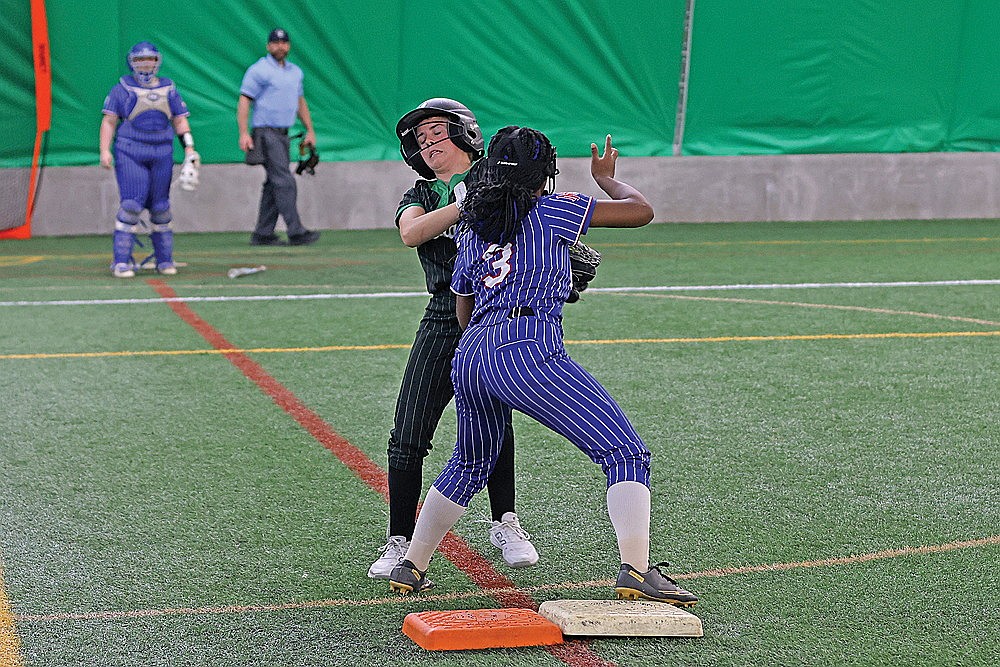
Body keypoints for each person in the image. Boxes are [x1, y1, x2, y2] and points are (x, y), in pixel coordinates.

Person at [388, 127, 698, 607]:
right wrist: (607, 180)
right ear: (545, 175)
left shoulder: (474, 222)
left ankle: (412, 564)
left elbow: (463, 304)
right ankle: (636, 570)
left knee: (469, 462)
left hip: (470, 354)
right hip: (527, 348)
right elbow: (642, 211)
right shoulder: (555, 209)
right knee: (626, 454)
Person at [367, 100, 540, 582]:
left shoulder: (498, 174)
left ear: (465, 133)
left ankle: (505, 522)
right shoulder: (420, 191)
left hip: (496, 315)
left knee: (494, 425)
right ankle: (400, 539)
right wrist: (465, 204)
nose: (428, 144)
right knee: (407, 434)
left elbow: (536, 213)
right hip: (445, 315)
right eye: (419, 140)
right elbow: (412, 232)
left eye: (436, 133)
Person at [100, 41, 198, 277]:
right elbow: (109, 121)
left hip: (162, 151)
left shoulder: (169, 88)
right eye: (140, 60)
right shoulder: (121, 89)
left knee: (161, 208)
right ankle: (121, 260)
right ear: (131, 62)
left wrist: (190, 149)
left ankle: (164, 259)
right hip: (130, 150)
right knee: (132, 205)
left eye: (150, 60)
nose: (145, 65)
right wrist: (105, 150)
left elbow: (179, 120)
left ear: (158, 61)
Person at [237, 27, 320, 246]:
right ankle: (296, 232)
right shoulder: (259, 70)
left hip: (284, 134)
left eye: (284, 43)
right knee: (285, 181)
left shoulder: (295, 72)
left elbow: (300, 102)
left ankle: (262, 234)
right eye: (275, 43)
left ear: (289, 45)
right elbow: (245, 100)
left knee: (274, 183)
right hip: (265, 132)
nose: (280, 46)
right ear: (268, 46)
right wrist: (244, 132)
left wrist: (310, 130)